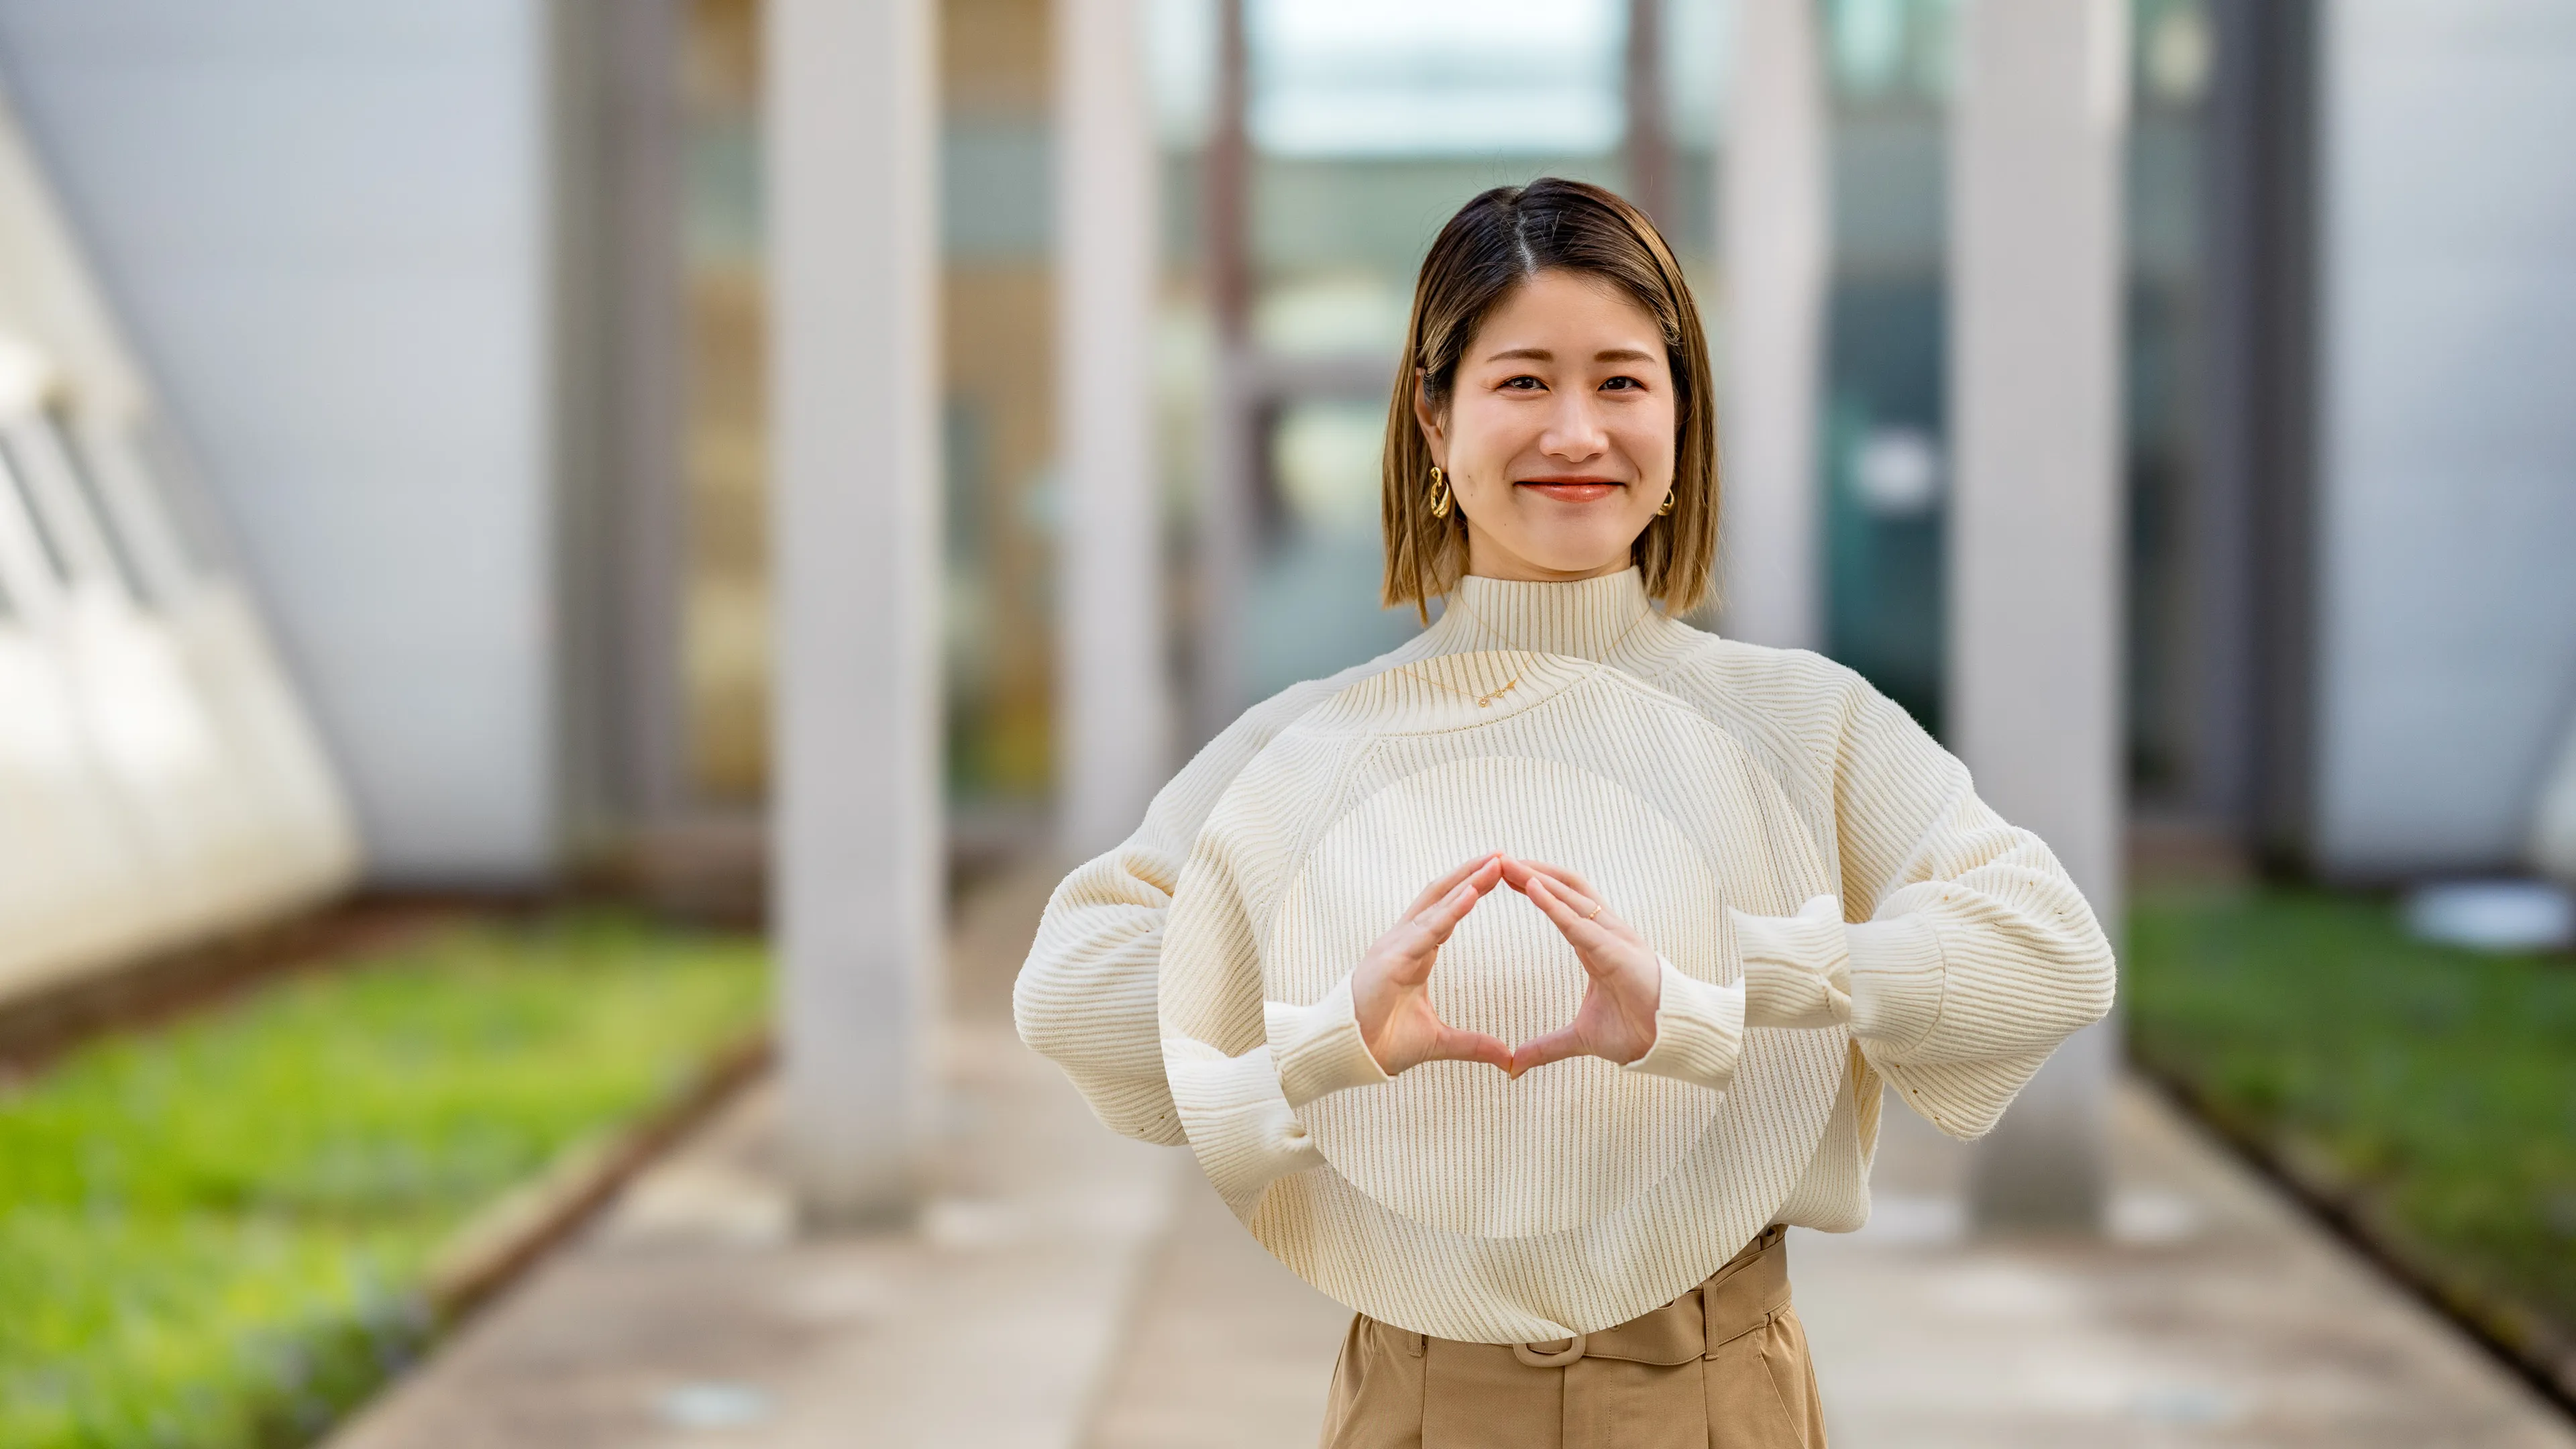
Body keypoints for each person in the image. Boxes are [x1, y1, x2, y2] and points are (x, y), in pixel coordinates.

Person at [1016, 177, 2114, 1449]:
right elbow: (1071, 982)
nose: (1577, 432)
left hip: (1718, 1391)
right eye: (1524, 381)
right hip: (1418, 1400)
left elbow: (2046, 950)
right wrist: (1331, 1022)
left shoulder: (1805, 723)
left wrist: (1740, 968)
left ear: (1682, 418)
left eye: (1623, 382)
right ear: (1435, 420)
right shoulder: (1311, 747)